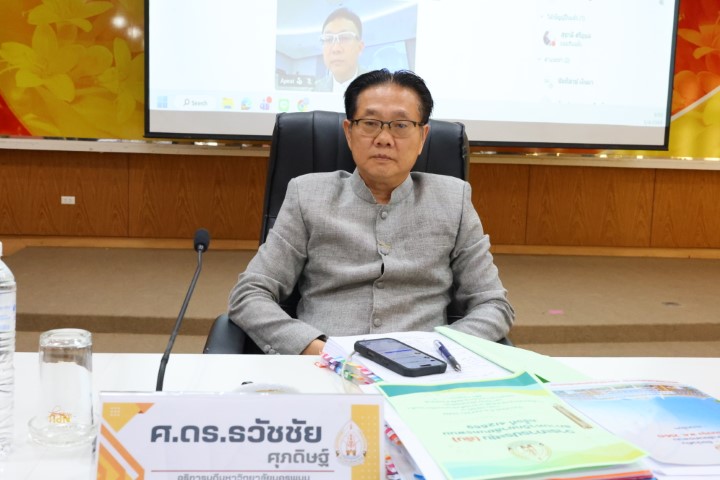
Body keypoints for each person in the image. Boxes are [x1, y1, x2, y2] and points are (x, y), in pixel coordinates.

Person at [229, 69, 514, 355]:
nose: (384, 138)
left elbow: (493, 304)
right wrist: (315, 349)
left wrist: (438, 351)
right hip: (324, 365)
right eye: (370, 123)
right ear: (349, 132)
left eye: (400, 125)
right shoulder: (307, 195)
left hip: (425, 369)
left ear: (422, 137)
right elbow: (250, 294)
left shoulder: (453, 200)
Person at [313, 8, 367, 92]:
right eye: (328, 39)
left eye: (344, 37)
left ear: (360, 47)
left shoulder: (378, 86)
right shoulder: (314, 90)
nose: (336, 49)